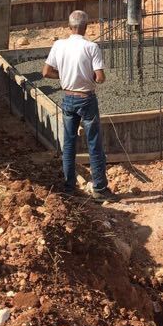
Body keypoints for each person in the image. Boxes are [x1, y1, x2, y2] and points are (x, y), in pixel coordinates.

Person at [42, 10, 114, 201]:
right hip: (86, 99)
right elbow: (100, 77)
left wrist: (65, 76)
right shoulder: (91, 47)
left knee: (69, 144)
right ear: (86, 27)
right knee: (94, 144)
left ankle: (69, 187)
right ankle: (99, 189)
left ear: (69, 26)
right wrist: (88, 76)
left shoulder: (59, 45)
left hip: (68, 98)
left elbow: (46, 72)